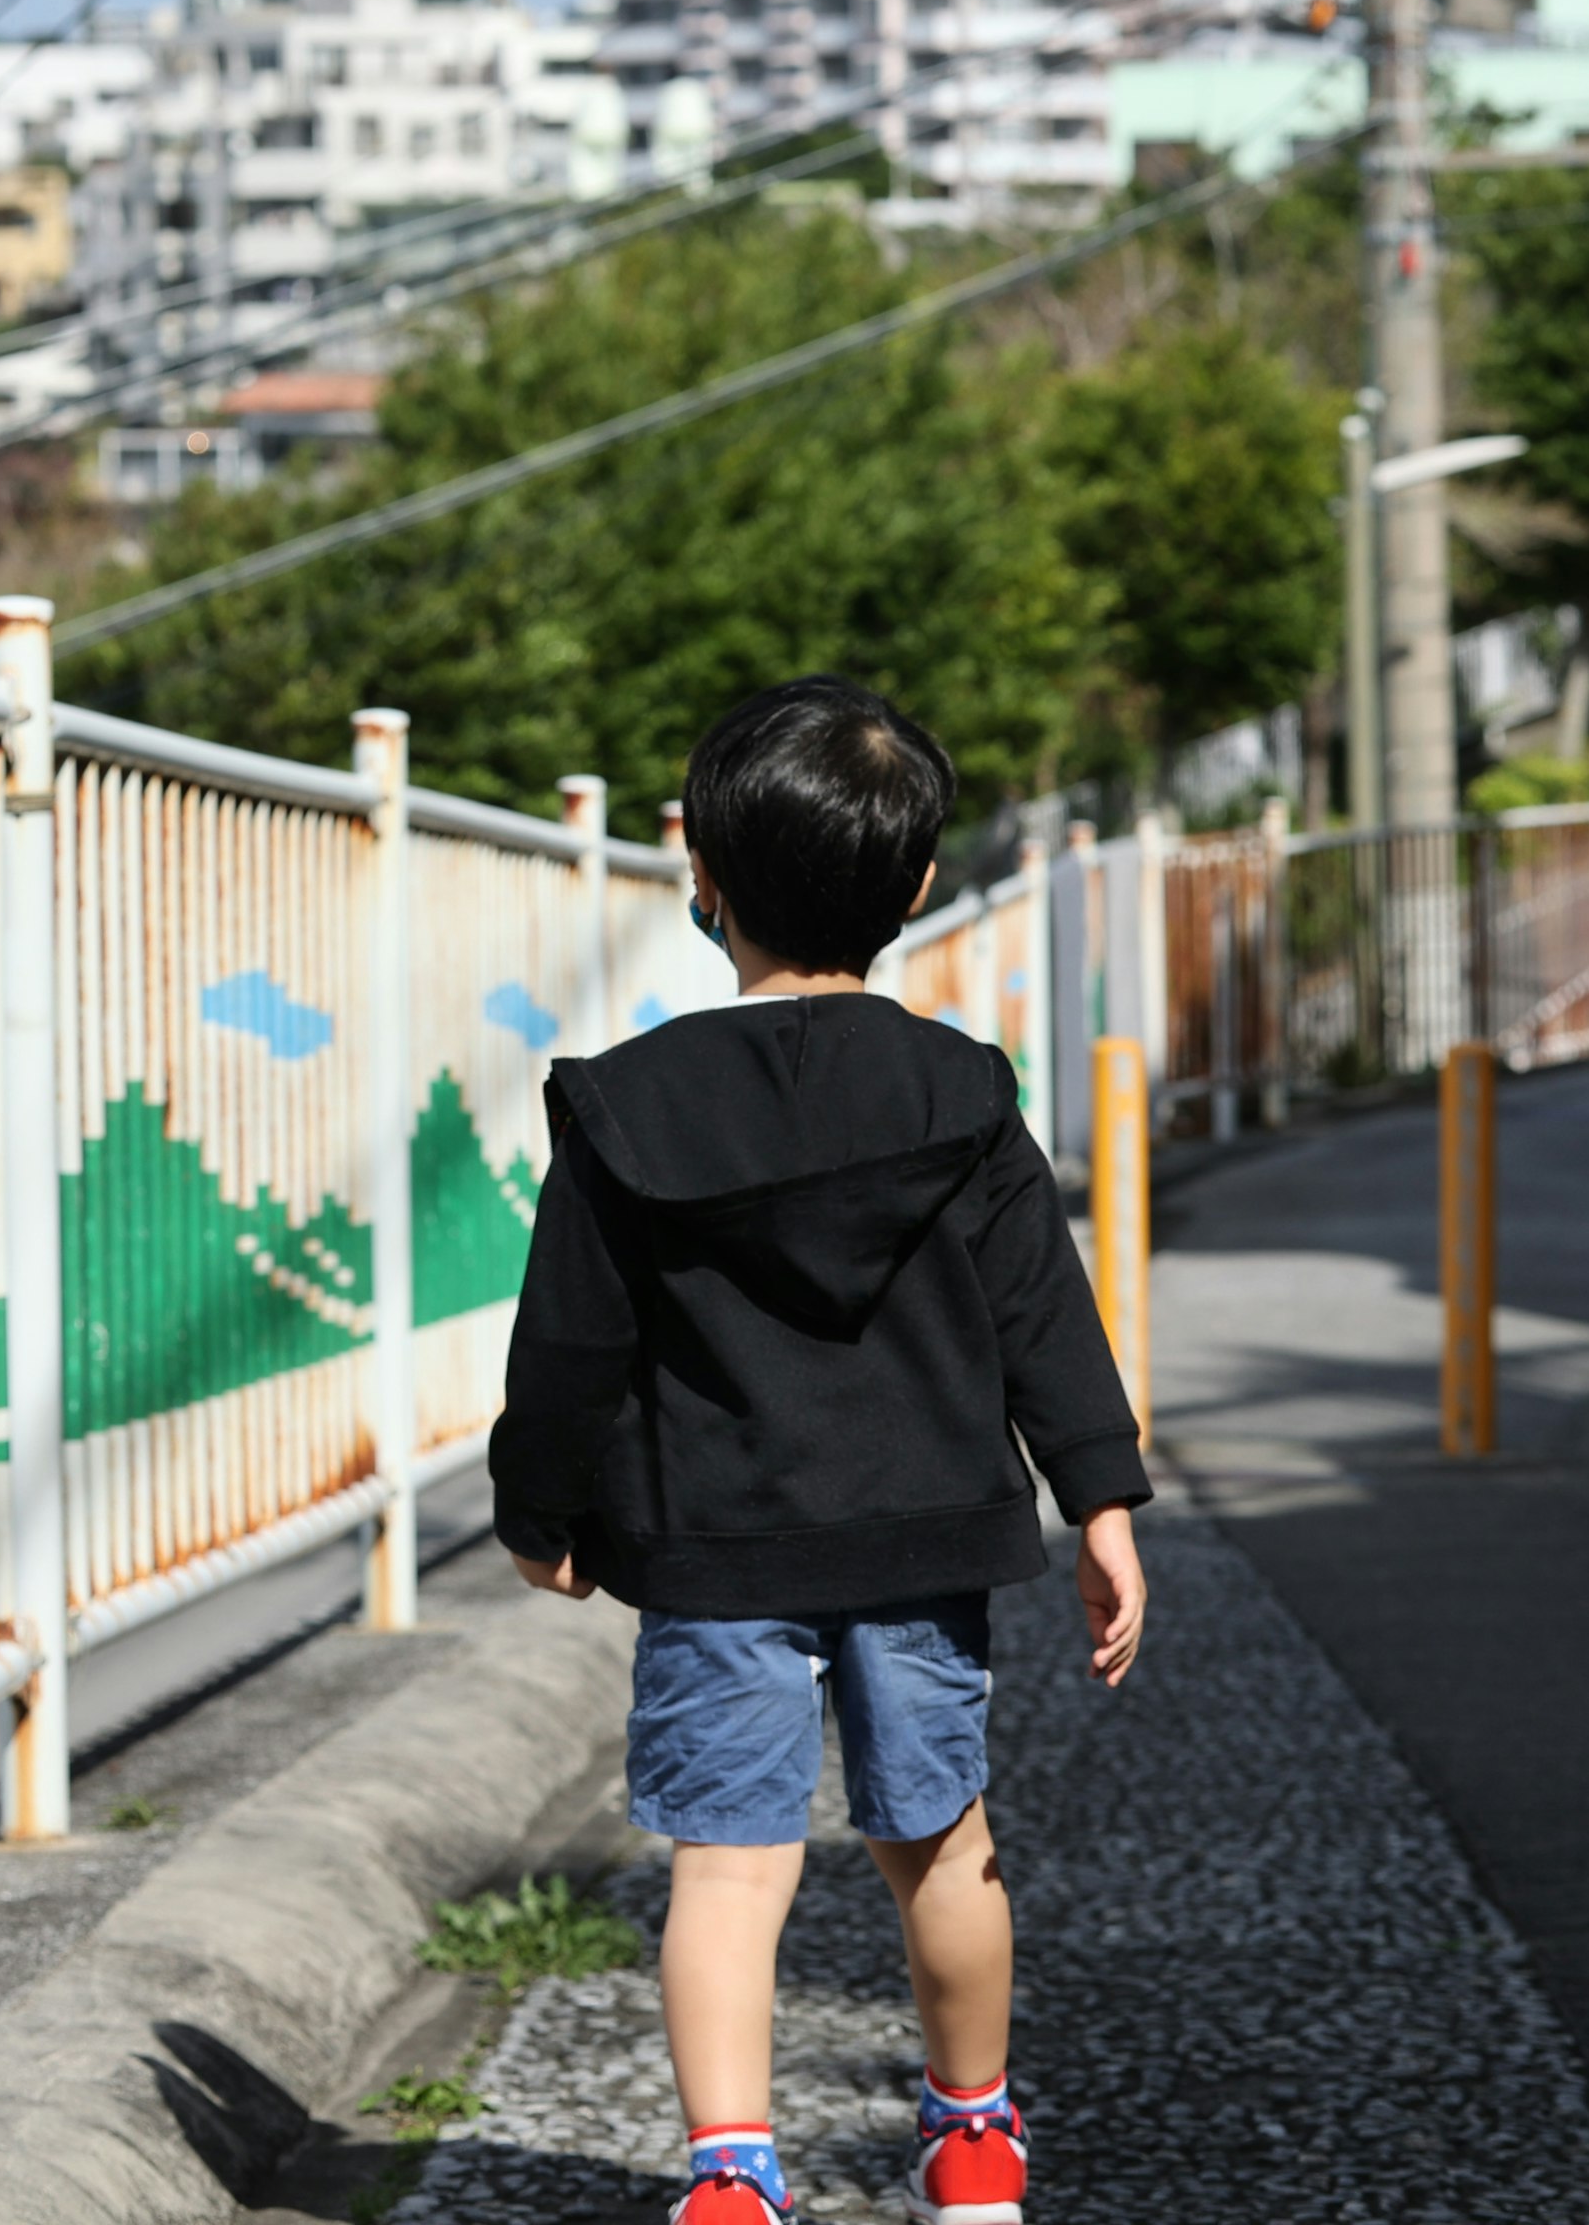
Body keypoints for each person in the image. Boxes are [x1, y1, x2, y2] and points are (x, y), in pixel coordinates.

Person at [492, 675, 1151, 2225]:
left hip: (717, 1553)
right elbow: (1038, 1306)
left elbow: (571, 1343)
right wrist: (1102, 1497)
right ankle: (974, 2141)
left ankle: (732, 2179)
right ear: (917, 889)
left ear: (701, 884)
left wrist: (545, 1512)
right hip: (924, 1539)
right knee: (941, 1844)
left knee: (728, 1871)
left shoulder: (627, 1111)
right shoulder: (960, 1091)